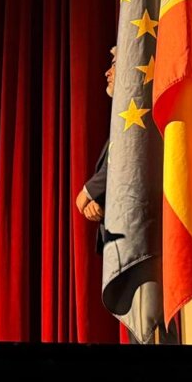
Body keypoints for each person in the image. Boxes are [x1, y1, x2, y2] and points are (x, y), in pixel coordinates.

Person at [75, 47, 117, 242]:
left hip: (135, 239)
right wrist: (97, 201)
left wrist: (88, 192)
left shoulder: (139, 116)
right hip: (118, 234)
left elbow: (130, 160)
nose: (107, 72)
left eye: (115, 65)